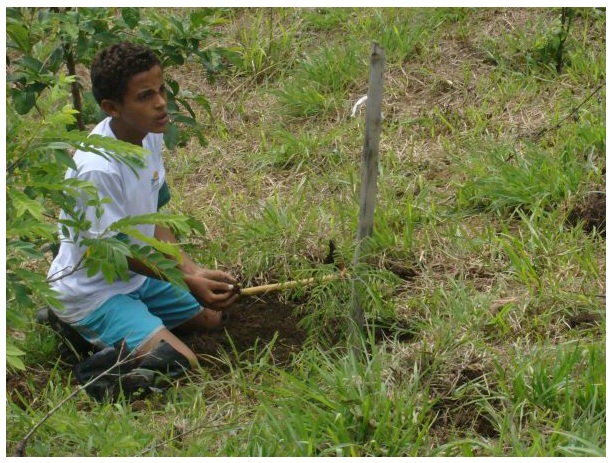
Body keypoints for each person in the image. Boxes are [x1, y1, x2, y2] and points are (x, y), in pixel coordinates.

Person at [45, 42, 239, 400]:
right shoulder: (97, 169)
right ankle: (83, 347)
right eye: (146, 96)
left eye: (161, 89)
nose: (161, 103)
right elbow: (113, 253)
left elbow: (152, 219)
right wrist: (182, 278)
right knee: (181, 361)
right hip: (95, 292)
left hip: (137, 276)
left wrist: (191, 271)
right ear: (111, 108)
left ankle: (134, 322)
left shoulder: (147, 134)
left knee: (211, 318)